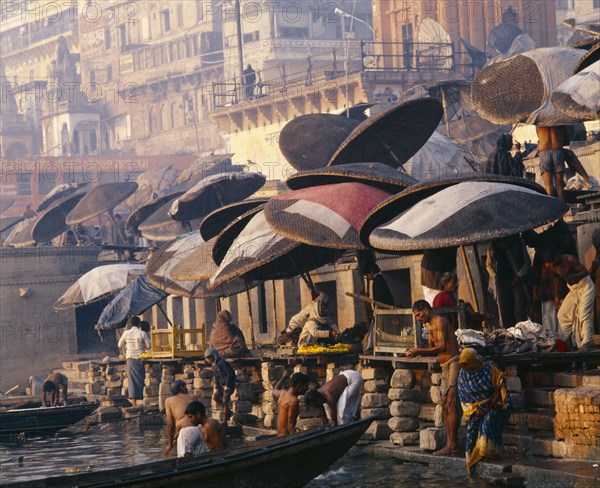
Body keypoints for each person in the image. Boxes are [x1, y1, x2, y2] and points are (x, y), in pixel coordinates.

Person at [406, 300, 460, 456]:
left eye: (418, 315)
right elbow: (431, 347)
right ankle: (451, 444)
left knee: (450, 403)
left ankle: (453, 445)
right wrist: (417, 349)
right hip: (444, 366)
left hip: (453, 361)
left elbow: (442, 346)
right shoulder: (428, 325)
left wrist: (418, 351)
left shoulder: (440, 321)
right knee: (444, 403)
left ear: (425, 310)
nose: (417, 319)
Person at [457, 348, 512, 472]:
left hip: (494, 404)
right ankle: (473, 461)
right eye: (464, 367)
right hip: (474, 409)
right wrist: (474, 410)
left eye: (469, 367)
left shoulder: (490, 369)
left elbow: (499, 392)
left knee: (487, 423)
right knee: (471, 431)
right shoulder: (462, 375)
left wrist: (488, 407)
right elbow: (463, 396)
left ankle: (490, 454)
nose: (467, 370)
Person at [544, 254, 595, 352]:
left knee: (583, 314)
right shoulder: (549, 265)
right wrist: (556, 296)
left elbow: (585, 271)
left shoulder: (569, 259)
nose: (553, 266)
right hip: (573, 290)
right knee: (562, 314)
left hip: (585, 286)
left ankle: (585, 343)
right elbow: (556, 278)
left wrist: (569, 276)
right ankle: (567, 343)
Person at [486, 236, 531, 329]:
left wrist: (519, 276)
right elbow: (488, 264)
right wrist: (495, 276)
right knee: (505, 312)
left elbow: (526, 262)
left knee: (519, 311)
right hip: (501, 281)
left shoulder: (518, 241)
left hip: (517, 280)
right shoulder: (493, 244)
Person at [361, 261, 394, 353]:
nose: (368, 277)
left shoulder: (378, 280)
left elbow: (380, 298)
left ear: (371, 272)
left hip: (384, 310)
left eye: (367, 275)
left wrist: (377, 309)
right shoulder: (379, 279)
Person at [118, 316, 151, 407]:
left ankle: (133, 400)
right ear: (139, 324)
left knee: (131, 380)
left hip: (130, 359)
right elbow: (149, 346)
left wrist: (126, 347)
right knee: (141, 379)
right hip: (140, 359)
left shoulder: (126, 333)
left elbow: (119, 344)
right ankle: (140, 398)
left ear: (130, 324)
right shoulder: (142, 333)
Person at [163, 379, 198, 457]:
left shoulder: (169, 400)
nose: (187, 389)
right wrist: (176, 435)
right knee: (200, 458)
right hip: (199, 431)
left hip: (185, 433)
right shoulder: (193, 397)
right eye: (185, 386)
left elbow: (170, 424)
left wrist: (170, 444)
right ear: (181, 387)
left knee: (184, 462)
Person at [272, 369, 310, 435]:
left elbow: (275, 390)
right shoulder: (294, 401)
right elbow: (290, 426)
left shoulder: (282, 393)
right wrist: (297, 440)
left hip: (279, 434)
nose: (307, 389)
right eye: (306, 386)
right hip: (285, 437)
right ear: (299, 385)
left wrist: (283, 377)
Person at [536, 125, 569, 199]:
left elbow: (539, 138)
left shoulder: (539, 123)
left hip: (544, 152)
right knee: (559, 187)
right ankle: (562, 209)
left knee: (548, 186)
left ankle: (552, 209)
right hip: (558, 151)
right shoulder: (560, 122)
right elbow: (567, 141)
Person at [204, 347, 236, 425]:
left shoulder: (222, 362)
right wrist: (217, 388)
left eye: (209, 358)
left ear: (214, 356)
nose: (209, 360)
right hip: (222, 386)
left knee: (225, 401)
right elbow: (217, 377)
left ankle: (225, 420)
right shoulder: (214, 366)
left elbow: (230, 374)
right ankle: (228, 411)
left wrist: (227, 385)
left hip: (229, 385)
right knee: (215, 397)